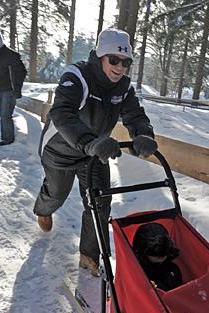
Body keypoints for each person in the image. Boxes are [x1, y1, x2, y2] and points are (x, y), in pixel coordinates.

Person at [33, 28, 158, 277]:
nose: (120, 67)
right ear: (101, 57)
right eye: (114, 60)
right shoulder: (77, 76)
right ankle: (44, 209)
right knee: (58, 193)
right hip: (61, 149)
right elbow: (62, 113)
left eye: (126, 62)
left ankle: (89, 255)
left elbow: (134, 114)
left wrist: (143, 135)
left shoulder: (123, 86)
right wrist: (89, 141)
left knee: (100, 201)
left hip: (95, 150)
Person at [0, 28, 27, 146]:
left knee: (5, 114)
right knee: (2, 114)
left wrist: (16, 88)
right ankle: (6, 137)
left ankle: (7, 139)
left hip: (10, 89)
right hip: (1, 89)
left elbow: (21, 71)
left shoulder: (10, 54)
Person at [133, 223, 183, 291]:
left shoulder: (173, 269)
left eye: (164, 254)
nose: (161, 258)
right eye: (156, 254)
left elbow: (180, 293)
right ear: (143, 253)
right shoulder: (136, 272)